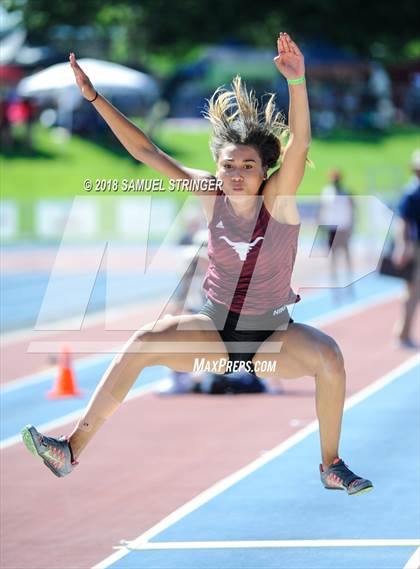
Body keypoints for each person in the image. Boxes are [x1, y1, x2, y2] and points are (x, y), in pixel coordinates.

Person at [22, 33, 372, 496]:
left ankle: (331, 464)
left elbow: (301, 145)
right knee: (143, 341)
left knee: (329, 357)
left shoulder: (277, 199)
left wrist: (298, 82)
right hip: (216, 333)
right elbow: (147, 152)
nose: (236, 175)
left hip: (272, 338)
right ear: (217, 167)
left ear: (264, 170)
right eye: (229, 166)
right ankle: (71, 449)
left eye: (247, 166)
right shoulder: (210, 193)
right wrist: (94, 99)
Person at [392, 149, 420, 349]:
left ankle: (403, 332)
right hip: (414, 248)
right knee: (412, 292)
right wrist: (402, 246)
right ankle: (403, 334)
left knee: (412, 292)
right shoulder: (412, 193)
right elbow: (402, 222)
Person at [318, 169, 355, 296]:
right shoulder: (326, 192)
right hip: (331, 228)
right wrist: (321, 225)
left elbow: (352, 209)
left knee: (346, 254)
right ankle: (334, 280)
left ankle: (349, 279)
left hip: (343, 227)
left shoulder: (346, 192)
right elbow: (322, 209)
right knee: (333, 255)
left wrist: (351, 226)